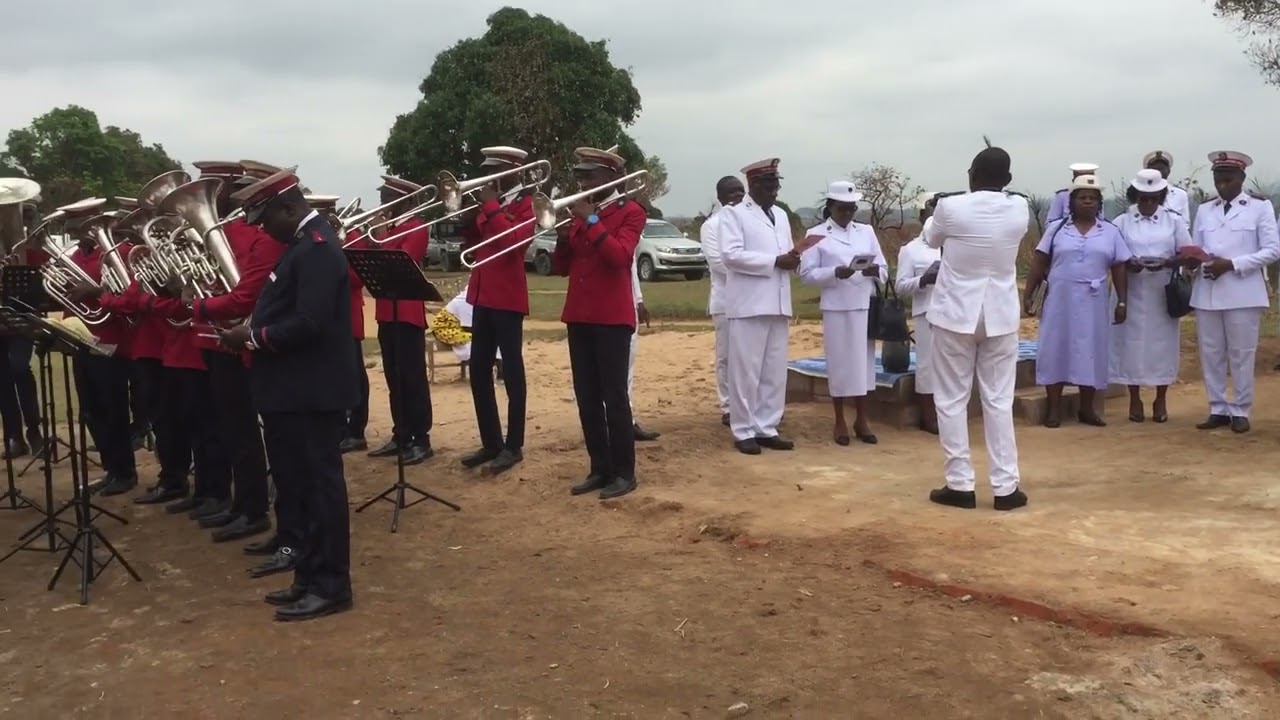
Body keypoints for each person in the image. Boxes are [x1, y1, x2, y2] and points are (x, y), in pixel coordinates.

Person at [223, 167, 358, 621]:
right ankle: (309, 575)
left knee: (321, 490)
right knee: (300, 487)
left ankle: (331, 584)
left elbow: (310, 323)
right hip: (294, 389)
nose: (262, 228)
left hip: (312, 390)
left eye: (265, 219)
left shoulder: (317, 249)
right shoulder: (301, 245)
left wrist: (253, 337)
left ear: (288, 207)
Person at [167, 160, 278, 545]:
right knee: (228, 428)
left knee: (245, 431)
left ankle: (254, 508)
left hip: (237, 338)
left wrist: (200, 304)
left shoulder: (255, 234)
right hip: (214, 339)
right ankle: (238, 501)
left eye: (219, 186)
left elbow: (245, 291)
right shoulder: (221, 230)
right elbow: (209, 276)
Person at [923, 146, 1028, 511]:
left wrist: (941, 210)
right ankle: (1006, 488)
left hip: (956, 313)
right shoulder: (1019, 207)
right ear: (1008, 180)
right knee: (998, 401)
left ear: (971, 175)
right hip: (999, 314)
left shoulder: (950, 208)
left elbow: (929, 239)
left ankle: (960, 484)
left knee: (951, 400)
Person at [550, 146, 645, 500]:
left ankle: (624, 472)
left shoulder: (631, 212)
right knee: (586, 397)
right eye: (581, 176)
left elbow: (619, 257)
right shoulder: (577, 216)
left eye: (590, 176)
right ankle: (599, 467)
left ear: (611, 178)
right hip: (579, 315)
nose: (583, 182)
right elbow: (563, 268)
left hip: (612, 318)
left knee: (614, 398)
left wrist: (591, 221)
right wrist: (561, 241)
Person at [1024, 174, 1131, 427]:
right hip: (1059, 298)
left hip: (1093, 301)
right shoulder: (1057, 229)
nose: (1088, 202)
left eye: (1093, 198)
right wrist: (1028, 293)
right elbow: (1039, 261)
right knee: (1055, 348)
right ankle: (1053, 409)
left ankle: (1087, 408)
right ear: (1071, 202)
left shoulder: (1110, 232)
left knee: (1090, 350)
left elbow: (1119, 267)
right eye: (1082, 197)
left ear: (1099, 203)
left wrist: (1122, 301)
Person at [1187, 151, 1280, 434]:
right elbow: (1197, 245)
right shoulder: (1205, 209)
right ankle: (1217, 407)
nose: (1222, 183)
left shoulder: (1258, 208)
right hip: (1208, 291)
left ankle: (1240, 409)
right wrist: (1193, 260)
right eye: (1217, 177)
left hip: (1243, 291)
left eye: (1228, 177)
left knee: (1241, 353)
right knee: (1211, 353)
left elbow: (1272, 250)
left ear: (1241, 178)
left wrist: (1232, 265)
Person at [460, 146, 534, 475]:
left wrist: (490, 206)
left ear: (512, 172)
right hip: (482, 295)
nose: (489, 177)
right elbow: (472, 240)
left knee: (512, 371)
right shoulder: (494, 205)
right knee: (478, 369)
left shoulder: (528, 203)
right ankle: (491, 441)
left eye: (496, 170)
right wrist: (467, 211)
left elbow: (513, 243)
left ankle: (513, 444)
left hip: (507, 297)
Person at [57, 198, 137, 495]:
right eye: (75, 228)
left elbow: (130, 291)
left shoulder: (116, 254)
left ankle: (125, 471)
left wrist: (95, 290)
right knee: (91, 411)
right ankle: (111, 468)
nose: (78, 235)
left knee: (112, 409)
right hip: (82, 341)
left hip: (112, 343)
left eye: (81, 227)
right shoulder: (75, 257)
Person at [798, 180, 887, 445]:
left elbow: (883, 266)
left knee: (863, 364)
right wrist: (835, 272)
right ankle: (839, 419)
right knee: (839, 364)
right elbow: (806, 274)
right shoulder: (816, 234)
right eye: (842, 209)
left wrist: (876, 272)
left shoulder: (866, 231)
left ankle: (862, 418)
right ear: (830, 207)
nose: (847, 214)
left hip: (863, 302)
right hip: (837, 305)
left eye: (851, 209)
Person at [719, 158, 795, 455]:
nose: (774, 191)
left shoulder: (781, 215)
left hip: (778, 300)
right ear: (752, 185)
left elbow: (784, 251)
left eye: (776, 184)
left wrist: (792, 259)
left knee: (774, 371)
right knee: (746, 371)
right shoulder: (734, 215)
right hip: (749, 303)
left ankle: (766, 426)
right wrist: (774, 261)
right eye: (768, 184)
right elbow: (731, 256)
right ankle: (743, 429)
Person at [1108, 169, 1193, 423]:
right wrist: (1129, 263)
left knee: (1162, 344)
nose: (1147, 203)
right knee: (1129, 343)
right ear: (1135, 197)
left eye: (1153, 198)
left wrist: (1169, 262)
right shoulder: (1122, 222)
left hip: (1161, 292)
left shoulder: (1173, 221)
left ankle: (1160, 397)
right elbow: (1113, 254)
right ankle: (1134, 397)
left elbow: (1188, 253)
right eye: (1143, 198)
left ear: (1160, 197)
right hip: (1130, 290)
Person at [364, 175, 432, 465]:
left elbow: (400, 259)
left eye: (386, 199)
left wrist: (379, 237)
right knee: (393, 377)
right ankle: (401, 433)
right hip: (386, 311)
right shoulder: (389, 229)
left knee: (412, 378)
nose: (381, 205)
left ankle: (421, 438)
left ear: (402, 201)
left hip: (407, 313)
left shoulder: (416, 227)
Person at [309, 194, 370, 453]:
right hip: (325, 316)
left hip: (347, 315)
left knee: (353, 375)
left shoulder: (351, 237)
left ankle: (356, 430)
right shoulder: (313, 239)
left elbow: (358, 279)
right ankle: (338, 427)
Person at [895, 191, 943, 434]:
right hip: (927, 312)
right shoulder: (911, 250)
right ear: (923, 214)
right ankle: (928, 415)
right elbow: (900, 286)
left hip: (955, 311)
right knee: (928, 365)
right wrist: (923, 280)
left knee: (954, 364)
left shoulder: (955, 244)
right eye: (933, 209)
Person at [700, 176, 745, 427]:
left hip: (751, 299)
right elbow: (717, 262)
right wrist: (753, 270)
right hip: (726, 300)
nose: (737, 196)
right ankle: (728, 405)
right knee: (726, 356)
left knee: (747, 356)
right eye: (731, 192)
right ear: (720, 197)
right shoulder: (712, 225)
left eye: (740, 191)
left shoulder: (750, 220)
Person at [627, 248, 660, 441]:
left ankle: (627, 420)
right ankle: (610, 424)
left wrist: (639, 301)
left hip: (629, 307)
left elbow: (631, 268)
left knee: (627, 371)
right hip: (607, 311)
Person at [1142, 150, 1191, 229]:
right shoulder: (1141, 194)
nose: (1159, 172)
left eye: (1161, 168)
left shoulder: (1180, 195)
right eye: (1155, 169)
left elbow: (1185, 224)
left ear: (1168, 171)